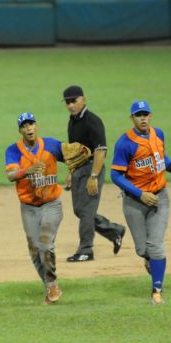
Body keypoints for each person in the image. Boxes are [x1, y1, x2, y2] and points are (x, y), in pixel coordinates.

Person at [110, 100, 171, 305]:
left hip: (160, 197)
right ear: (132, 118)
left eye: (146, 114)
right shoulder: (125, 143)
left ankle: (156, 290)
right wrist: (140, 193)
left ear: (151, 116)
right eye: (138, 115)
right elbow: (115, 175)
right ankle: (149, 259)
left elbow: (162, 159)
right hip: (134, 201)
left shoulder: (158, 134)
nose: (143, 118)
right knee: (143, 249)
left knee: (156, 245)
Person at [5, 112, 65, 305]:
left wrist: (72, 172)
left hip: (51, 204)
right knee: (34, 250)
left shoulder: (51, 145)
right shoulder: (13, 150)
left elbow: (73, 157)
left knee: (45, 243)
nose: (28, 128)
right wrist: (26, 171)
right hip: (28, 207)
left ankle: (52, 283)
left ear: (36, 126)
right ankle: (50, 285)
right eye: (24, 126)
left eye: (31, 124)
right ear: (20, 130)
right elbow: (11, 175)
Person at [62, 85, 125, 262]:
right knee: (80, 210)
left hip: (92, 168)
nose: (70, 105)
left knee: (87, 211)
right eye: (67, 102)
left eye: (74, 101)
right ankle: (114, 230)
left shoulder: (92, 121)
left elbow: (101, 151)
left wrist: (94, 176)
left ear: (84, 99)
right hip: (79, 169)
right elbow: (75, 151)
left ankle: (86, 249)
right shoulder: (72, 121)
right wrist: (70, 172)